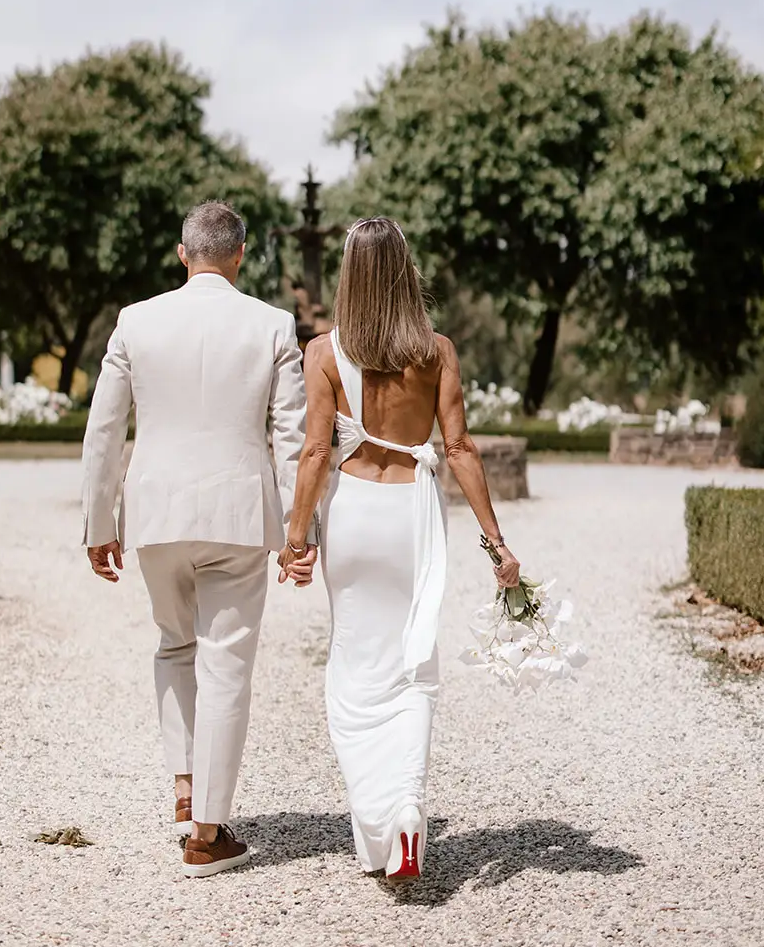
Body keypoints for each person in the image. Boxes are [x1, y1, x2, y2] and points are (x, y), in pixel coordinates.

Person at [279, 217, 520, 883]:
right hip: (415, 514)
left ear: (348, 278)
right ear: (406, 273)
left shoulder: (323, 352)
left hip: (355, 514)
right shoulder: (437, 350)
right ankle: (407, 807)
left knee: (353, 672)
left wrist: (295, 540)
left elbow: (316, 453)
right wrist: (496, 544)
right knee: (414, 663)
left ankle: (381, 824)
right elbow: (460, 449)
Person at [81, 201, 315, 877]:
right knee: (226, 666)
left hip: (154, 515)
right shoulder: (271, 324)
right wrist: (301, 532)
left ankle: (185, 788)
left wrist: (100, 525)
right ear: (239, 255)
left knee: (174, 646)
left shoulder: (136, 320)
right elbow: (296, 438)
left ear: (182, 255)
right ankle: (206, 834)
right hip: (238, 518)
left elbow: (104, 430)